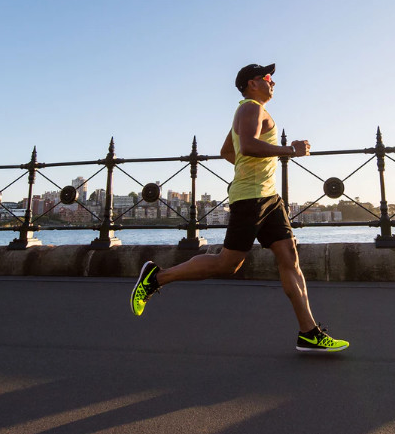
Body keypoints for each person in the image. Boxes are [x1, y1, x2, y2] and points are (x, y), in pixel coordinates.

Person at [130, 63, 349, 353]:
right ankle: (155, 278)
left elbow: (227, 152)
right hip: (251, 199)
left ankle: (309, 332)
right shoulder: (250, 108)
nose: (273, 82)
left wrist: (253, 170)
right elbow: (246, 146)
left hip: (269, 197)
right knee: (228, 263)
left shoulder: (253, 110)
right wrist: (289, 151)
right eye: (267, 78)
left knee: (289, 257)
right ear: (251, 83)